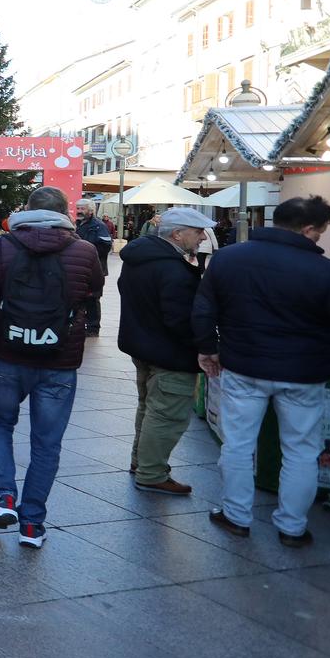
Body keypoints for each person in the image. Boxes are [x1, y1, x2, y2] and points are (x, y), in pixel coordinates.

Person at [193, 195, 330, 548]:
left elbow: (203, 309)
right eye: (320, 233)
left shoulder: (228, 259)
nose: (319, 240)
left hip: (243, 367)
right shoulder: (325, 271)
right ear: (308, 229)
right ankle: (292, 527)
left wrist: (207, 349)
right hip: (304, 373)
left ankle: (235, 516)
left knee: (237, 444)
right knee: (301, 450)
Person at [0, 186, 104, 549]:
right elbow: (94, 293)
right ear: (66, 212)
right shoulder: (84, 251)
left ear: (26, 210)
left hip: (9, 356)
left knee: (0, 423)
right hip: (60, 360)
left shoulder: (4, 247)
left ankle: (3, 497)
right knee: (47, 443)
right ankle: (32, 524)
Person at [116, 207, 216, 496]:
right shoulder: (173, 269)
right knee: (166, 415)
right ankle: (151, 473)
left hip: (143, 346)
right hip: (169, 354)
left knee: (149, 408)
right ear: (177, 234)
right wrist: (204, 347)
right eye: (198, 232)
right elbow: (180, 320)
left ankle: (141, 463)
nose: (202, 237)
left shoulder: (139, 259)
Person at [74, 201, 113, 336]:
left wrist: (88, 253)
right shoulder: (77, 224)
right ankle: (81, 324)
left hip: (94, 268)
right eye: (77, 208)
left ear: (90, 211)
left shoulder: (98, 225)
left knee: (92, 298)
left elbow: (106, 245)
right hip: (80, 267)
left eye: (82, 209)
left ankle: (93, 328)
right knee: (81, 297)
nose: (79, 211)